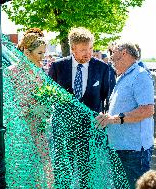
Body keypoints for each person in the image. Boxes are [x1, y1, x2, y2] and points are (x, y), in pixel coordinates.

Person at [48, 27, 115, 187]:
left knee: (88, 175)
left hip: (91, 132)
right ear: (72, 49)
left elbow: (109, 99)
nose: (89, 53)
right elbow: (49, 96)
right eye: (84, 50)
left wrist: (105, 119)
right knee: (64, 173)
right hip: (64, 131)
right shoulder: (57, 67)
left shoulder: (102, 68)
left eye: (91, 48)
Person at [95, 42, 154, 188]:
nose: (110, 58)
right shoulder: (125, 75)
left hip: (133, 152)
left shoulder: (140, 75)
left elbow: (147, 110)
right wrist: (108, 116)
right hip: (121, 148)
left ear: (124, 53)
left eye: (112, 54)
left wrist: (114, 119)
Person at [10, 28, 54, 188]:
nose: (43, 58)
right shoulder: (12, 72)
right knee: (24, 172)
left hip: (40, 131)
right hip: (21, 133)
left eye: (44, 53)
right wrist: (30, 109)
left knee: (44, 172)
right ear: (27, 52)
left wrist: (47, 106)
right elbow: (9, 107)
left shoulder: (39, 73)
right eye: (40, 53)